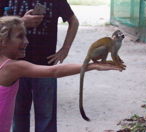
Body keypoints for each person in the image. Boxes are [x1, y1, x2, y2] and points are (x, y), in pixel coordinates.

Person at [0, 16, 122, 132]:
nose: (26, 41)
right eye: (20, 37)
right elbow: (54, 71)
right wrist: (92, 66)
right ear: (3, 41)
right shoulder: (13, 67)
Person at [0, 0, 79, 132]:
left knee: (46, 117)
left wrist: (65, 49)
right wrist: (23, 22)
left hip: (45, 65)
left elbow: (73, 20)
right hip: (14, 68)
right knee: (18, 116)